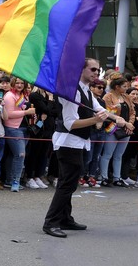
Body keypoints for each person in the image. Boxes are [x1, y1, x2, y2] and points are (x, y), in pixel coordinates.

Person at [44, 58, 117, 238]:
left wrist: (119, 121)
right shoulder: (70, 91)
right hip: (68, 142)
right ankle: (51, 222)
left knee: (69, 183)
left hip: (78, 142)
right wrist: (95, 120)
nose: (96, 73)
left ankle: (65, 218)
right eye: (92, 69)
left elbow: (101, 110)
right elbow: (70, 123)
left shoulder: (87, 91)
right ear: (80, 69)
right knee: (66, 184)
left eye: (98, 70)